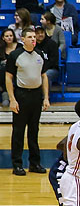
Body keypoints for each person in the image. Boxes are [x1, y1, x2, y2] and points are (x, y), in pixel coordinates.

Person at [6, 28, 51, 176]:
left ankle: (34, 163)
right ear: (22, 39)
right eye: (30, 36)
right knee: (18, 131)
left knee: (34, 131)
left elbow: (44, 76)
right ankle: (17, 164)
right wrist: (12, 99)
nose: (33, 39)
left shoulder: (40, 55)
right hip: (21, 95)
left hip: (36, 95)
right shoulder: (15, 55)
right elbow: (8, 77)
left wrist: (46, 97)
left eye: (34, 36)